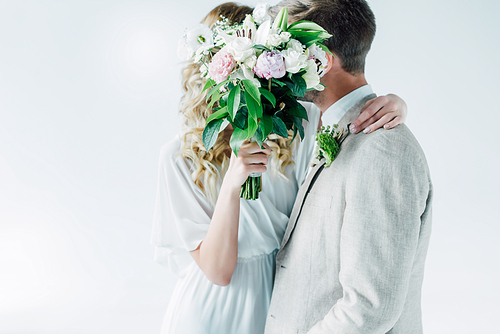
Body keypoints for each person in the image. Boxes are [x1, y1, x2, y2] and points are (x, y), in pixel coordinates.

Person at [151, 2, 409, 333]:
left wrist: (395, 102)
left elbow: (348, 109)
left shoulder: (297, 128)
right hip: (214, 310)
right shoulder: (179, 157)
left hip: (286, 303)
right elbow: (218, 272)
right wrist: (232, 184)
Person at [264, 1, 433, 333]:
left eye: (287, 51)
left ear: (320, 61)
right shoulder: (327, 125)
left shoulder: (383, 149)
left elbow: (369, 307)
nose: (279, 66)